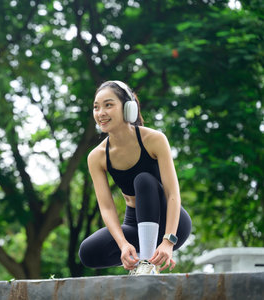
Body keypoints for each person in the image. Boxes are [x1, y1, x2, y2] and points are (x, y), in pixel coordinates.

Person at [78, 80, 192, 275]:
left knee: (143, 180)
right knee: (88, 252)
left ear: (128, 108)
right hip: (135, 224)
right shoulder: (97, 156)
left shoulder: (154, 140)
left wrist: (168, 241)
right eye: (96, 107)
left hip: (172, 224)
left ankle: (148, 266)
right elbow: (106, 207)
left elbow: (173, 194)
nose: (101, 113)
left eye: (108, 105)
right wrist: (123, 245)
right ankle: (141, 259)